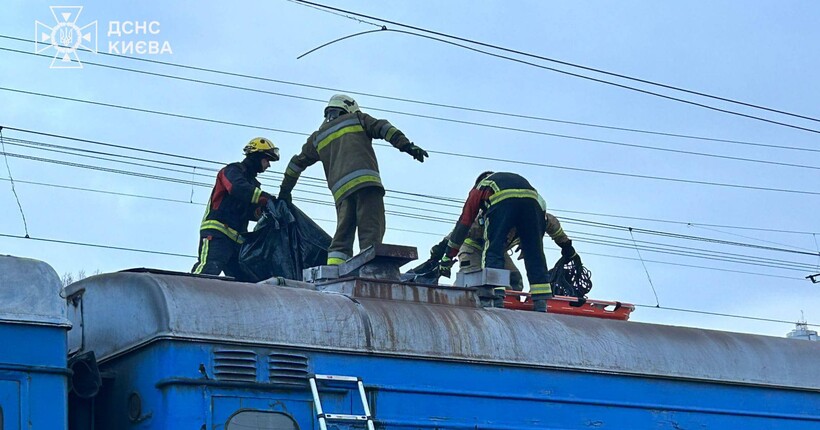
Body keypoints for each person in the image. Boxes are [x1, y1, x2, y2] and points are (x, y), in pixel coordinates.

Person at [279, 94, 428, 265]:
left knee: (342, 236)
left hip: (342, 193)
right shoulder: (357, 119)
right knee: (370, 231)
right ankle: (370, 268)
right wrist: (407, 146)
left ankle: (333, 271)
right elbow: (384, 128)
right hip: (366, 185)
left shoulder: (318, 137)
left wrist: (285, 192)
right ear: (349, 107)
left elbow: (295, 164)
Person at [439, 171, 577, 311]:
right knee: (476, 280)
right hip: (473, 249)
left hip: (498, 250)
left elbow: (464, 222)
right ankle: (523, 299)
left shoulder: (482, 192)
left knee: (513, 277)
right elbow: (460, 231)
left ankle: (506, 300)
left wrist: (568, 249)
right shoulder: (480, 219)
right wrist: (444, 254)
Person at [191, 137, 279, 277]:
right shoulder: (232, 170)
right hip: (217, 233)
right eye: (267, 159)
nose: (268, 165)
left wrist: (262, 211)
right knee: (208, 270)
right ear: (257, 156)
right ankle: (189, 294)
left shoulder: (253, 184)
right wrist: (266, 198)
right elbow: (237, 188)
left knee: (243, 282)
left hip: (237, 241)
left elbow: (249, 211)